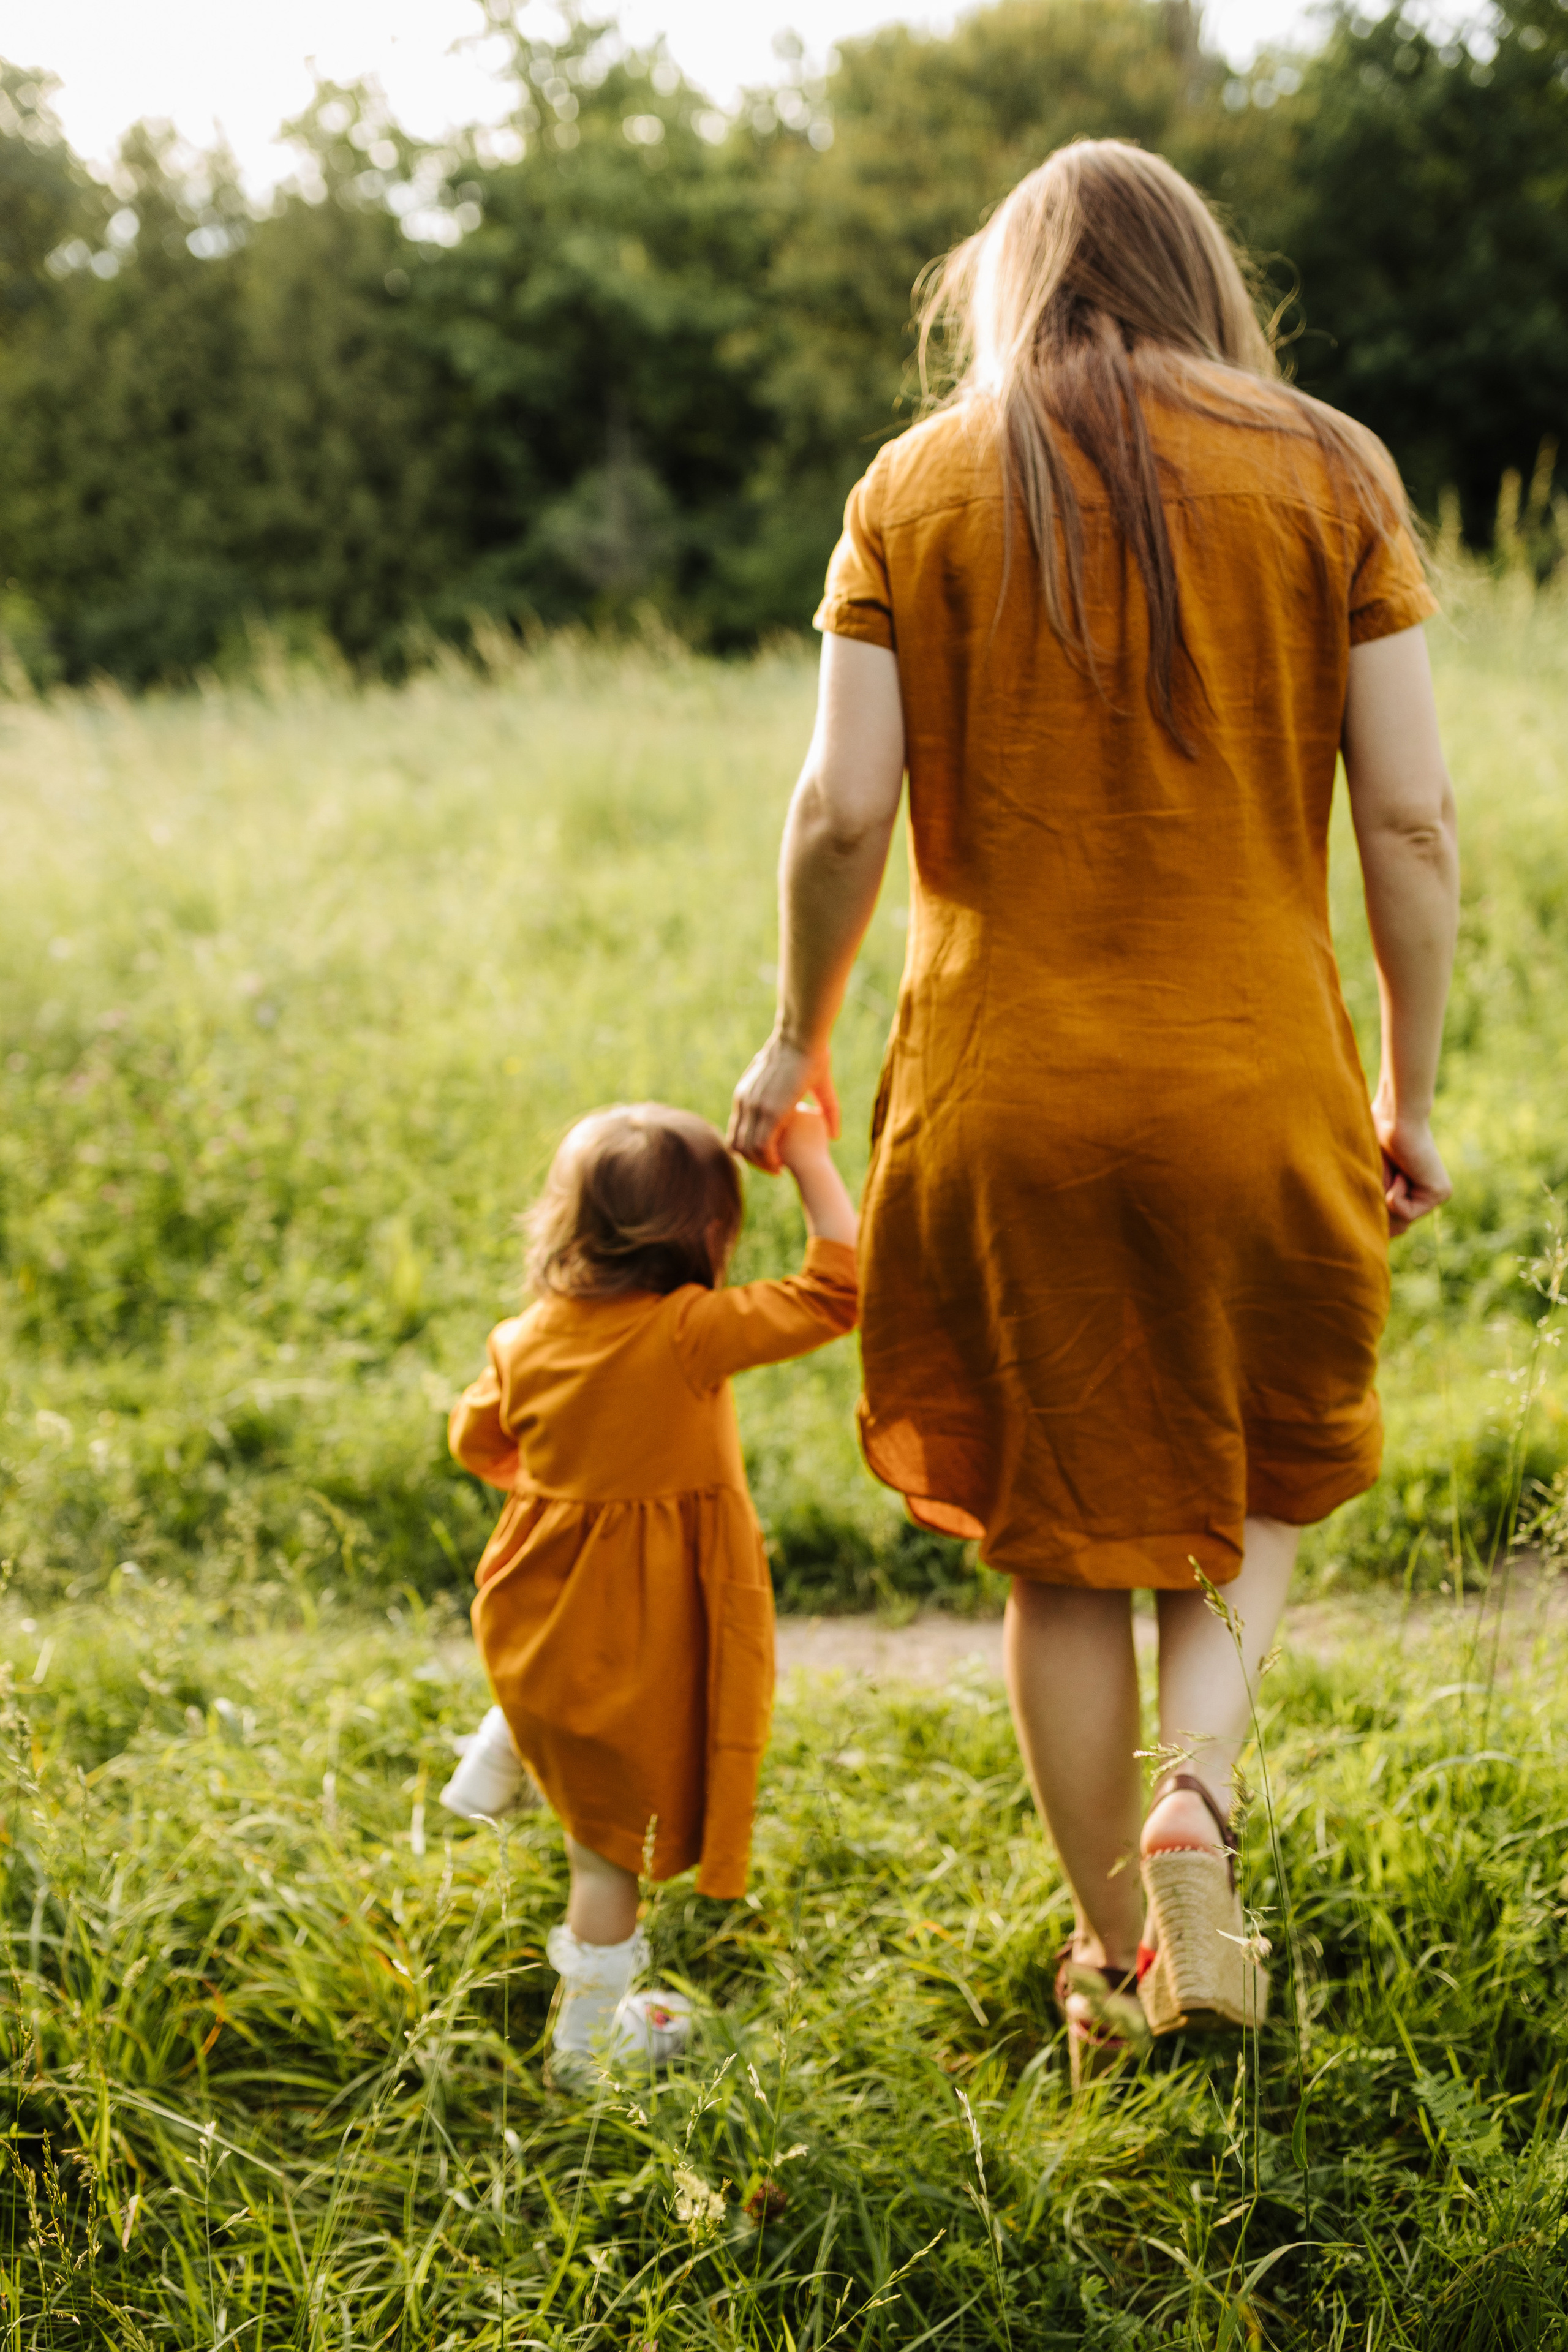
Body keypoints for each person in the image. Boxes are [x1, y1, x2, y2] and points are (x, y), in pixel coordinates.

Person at [729, 140, 1458, 2079]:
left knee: (1062, 1550)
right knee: (1259, 1474)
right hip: (1255, 1082)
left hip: (997, 1100)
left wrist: (795, 1041)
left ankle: (1120, 1969)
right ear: (1203, 272)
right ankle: (1196, 1796)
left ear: (1010, 287)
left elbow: (839, 814)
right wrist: (1406, 1086)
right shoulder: (1332, 472)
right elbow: (1409, 820)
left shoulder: (915, 485)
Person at [443, 1100, 858, 2090]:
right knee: (605, 1857)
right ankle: (587, 2049)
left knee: (560, 1676)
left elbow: (476, 1439)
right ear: (711, 1236)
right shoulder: (689, 1333)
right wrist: (806, 1159)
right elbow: (836, 1290)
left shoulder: (525, 1336)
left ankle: (504, 1746)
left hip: (536, 1609)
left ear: (565, 1225)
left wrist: (571, 1484)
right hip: (639, 1631)